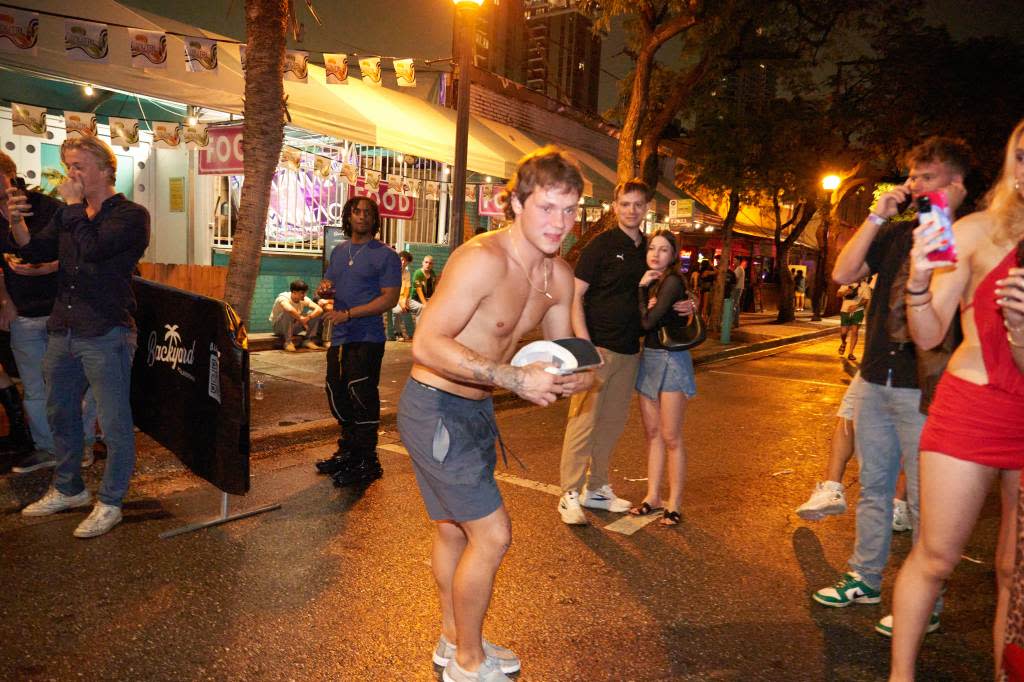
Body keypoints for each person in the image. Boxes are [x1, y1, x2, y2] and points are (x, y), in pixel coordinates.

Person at [399, 146, 592, 682]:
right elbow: (427, 343)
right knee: (493, 535)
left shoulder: (558, 276)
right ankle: (467, 664)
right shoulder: (482, 259)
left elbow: (577, 350)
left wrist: (579, 375)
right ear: (516, 205)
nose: (560, 223)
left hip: (476, 412)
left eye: (570, 210)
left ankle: (452, 640)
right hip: (435, 408)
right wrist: (514, 378)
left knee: (455, 532)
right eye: (547, 208)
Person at [819, 136, 971, 635]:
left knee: (929, 502)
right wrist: (878, 216)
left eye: (925, 177)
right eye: (912, 176)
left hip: (925, 388)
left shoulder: (963, 235)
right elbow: (842, 272)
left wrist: (937, 211)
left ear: (953, 184)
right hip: (875, 378)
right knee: (876, 490)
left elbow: (944, 267)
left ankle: (927, 599)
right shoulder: (896, 233)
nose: (913, 185)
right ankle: (864, 578)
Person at [889, 121, 1024, 681]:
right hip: (971, 404)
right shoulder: (971, 231)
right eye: (1021, 155)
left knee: (1014, 573)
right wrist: (919, 282)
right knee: (936, 556)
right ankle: (901, 676)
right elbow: (926, 334)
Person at [12, 136, 150, 538]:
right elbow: (35, 250)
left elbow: (92, 250)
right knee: (61, 413)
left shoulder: (129, 215)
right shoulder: (68, 215)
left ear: (107, 169)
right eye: (68, 166)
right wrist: (15, 221)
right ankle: (69, 489)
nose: (72, 174)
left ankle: (110, 502)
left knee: (113, 421)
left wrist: (72, 206)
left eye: (79, 166)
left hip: (105, 330)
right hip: (63, 329)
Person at [557, 178, 650, 525]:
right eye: (625, 204)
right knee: (582, 423)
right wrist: (585, 346)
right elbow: (574, 296)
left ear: (646, 209)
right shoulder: (601, 246)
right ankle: (569, 493)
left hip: (629, 351)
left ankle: (596, 488)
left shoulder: (649, 249)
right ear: (615, 207)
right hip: (597, 349)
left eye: (638, 204)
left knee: (611, 425)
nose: (631, 210)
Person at [0, 151, 99, 475]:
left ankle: (82, 446)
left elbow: (78, 256)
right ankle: (48, 448)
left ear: (9, 176)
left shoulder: (47, 208)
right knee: (34, 387)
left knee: (73, 384)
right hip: (24, 315)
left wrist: (45, 267)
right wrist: (6, 302)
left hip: (63, 311)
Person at [314, 196, 401, 486]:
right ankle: (349, 451)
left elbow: (388, 299)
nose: (362, 217)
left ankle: (367, 460)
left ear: (375, 220)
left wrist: (350, 314)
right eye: (357, 212)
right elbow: (329, 288)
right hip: (340, 337)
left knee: (361, 396)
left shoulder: (385, 255)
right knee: (336, 393)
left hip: (367, 337)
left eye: (368, 213)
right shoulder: (339, 252)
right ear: (348, 217)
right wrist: (325, 289)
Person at [628, 230, 697, 526]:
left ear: (673, 255)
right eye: (652, 248)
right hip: (650, 360)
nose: (656, 254)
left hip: (671, 360)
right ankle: (652, 496)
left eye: (664, 250)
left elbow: (646, 323)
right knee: (652, 435)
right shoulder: (653, 280)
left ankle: (674, 503)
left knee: (671, 436)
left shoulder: (669, 282)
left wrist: (642, 292)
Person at [269, 279, 323, 351]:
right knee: (288, 312)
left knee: (314, 313)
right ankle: (288, 342)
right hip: (279, 328)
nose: (304, 295)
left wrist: (308, 318)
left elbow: (319, 309)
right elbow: (289, 309)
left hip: (293, 327)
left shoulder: (303, 299)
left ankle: (307, 340)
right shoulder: (283, 297)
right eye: (302, 293)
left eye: (305, 293)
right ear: (294, 292)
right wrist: (301, 319)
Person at [837, 278, 870, 361]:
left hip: (858, 311)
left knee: (854, 331)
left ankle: (851, 353)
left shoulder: (864, 285)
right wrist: (845, 292)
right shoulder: (847, 282)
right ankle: (844, 343)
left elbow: (866, 299)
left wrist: (856, 306)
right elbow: (838, 294)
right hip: (845, 310)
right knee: (843, 333)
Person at [390, 250, 420, 340]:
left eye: (406, 261)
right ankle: (398, 333)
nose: (403, 262)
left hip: (404, 298)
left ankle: (417, 333)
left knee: (421, 307)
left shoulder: (407, 272)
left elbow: (407, 288)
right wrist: (401, 302)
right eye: (402, 259)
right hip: (393, 298)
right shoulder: (392, 271)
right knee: (398, 310)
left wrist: (405, 300)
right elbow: (393, 291)